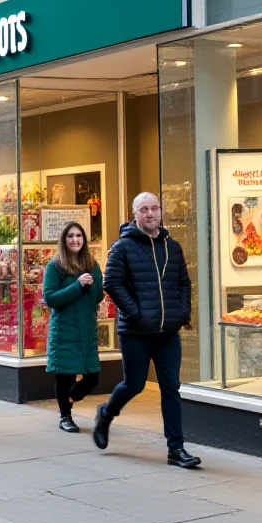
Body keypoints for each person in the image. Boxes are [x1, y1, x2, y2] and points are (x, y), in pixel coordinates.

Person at [93, 191, 201, 469]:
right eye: (144, 209)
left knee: (171, 388)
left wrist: (181, 313)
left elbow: (184, 283)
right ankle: (106, 414)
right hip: (137, 332)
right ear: (135, 214)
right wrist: (136, 314)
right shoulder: (123, 247)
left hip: (167, 333)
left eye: (154, 208)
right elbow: (112, 283)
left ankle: (176, 449)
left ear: (160, 212)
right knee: (135, 384)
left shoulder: (172, 247)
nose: (150, 214)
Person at [43, 221, 104, 433]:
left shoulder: (92, 265)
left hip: (87, 330)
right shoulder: (55, 266)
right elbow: (50, 298)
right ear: (64, 240)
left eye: (79, 236)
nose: (75, 240)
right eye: (70, 236)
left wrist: (92, 285)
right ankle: (65, 416)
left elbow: (98, 297)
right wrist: (77, 285)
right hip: (65, 329)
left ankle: (68, 401)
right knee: (65, 375)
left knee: (92, 378)